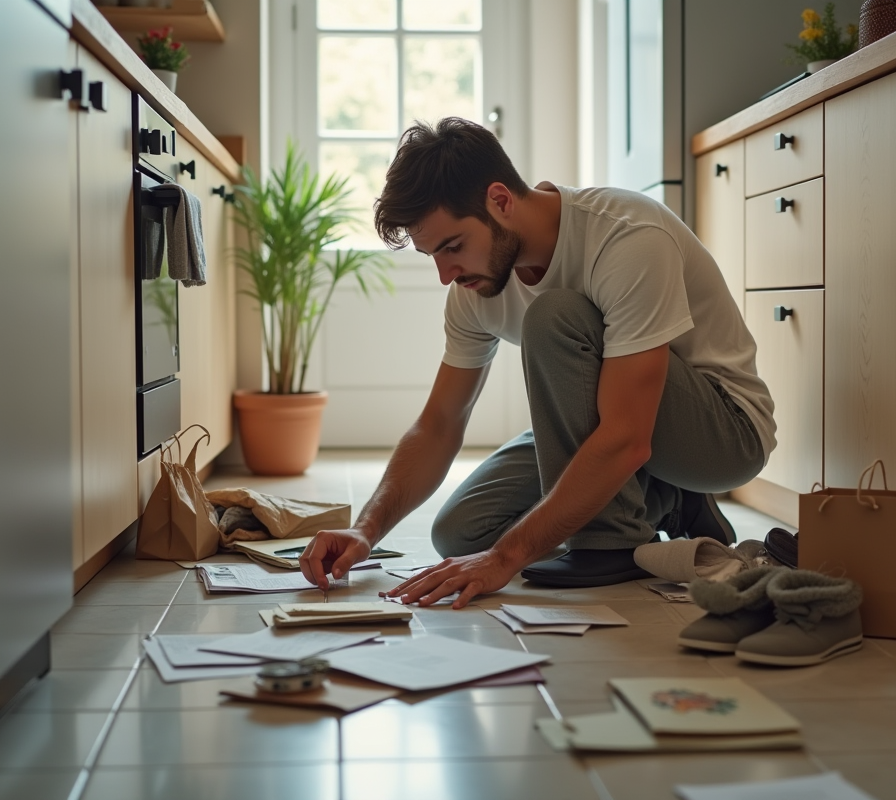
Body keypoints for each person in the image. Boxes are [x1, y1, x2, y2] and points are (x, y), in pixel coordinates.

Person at [299, 117, 775, 609]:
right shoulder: (474, 288)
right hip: (621, 417)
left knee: (556, 316)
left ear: (500, 201)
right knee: (462, 533)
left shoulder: (626, 236)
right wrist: (365, 529)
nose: (445, 275)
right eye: (431, 256)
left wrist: (505, 560)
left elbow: (629, 436)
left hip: (724, 432)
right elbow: (439, 424)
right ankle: (667, 501)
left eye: (453, 247)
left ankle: (610, 542)